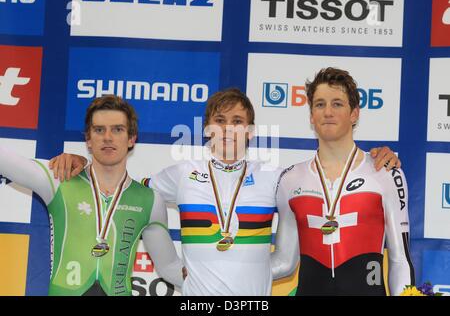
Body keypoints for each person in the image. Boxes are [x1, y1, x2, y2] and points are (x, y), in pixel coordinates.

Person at [49, 88, 401, 296]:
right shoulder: (180, 174)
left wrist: (376, 159)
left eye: (237, 122)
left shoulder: (278, 178)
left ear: (250, 131)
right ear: (206, 130)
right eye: (220, 121)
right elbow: (125, 191)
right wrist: (82, 161)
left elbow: (295, 246)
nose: (228, 129)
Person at [0, 95, 183, 296]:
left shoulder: (150, 200)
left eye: (117, 129)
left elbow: (169, 267)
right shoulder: (60, 178)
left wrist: (217, 283)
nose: (107, 137)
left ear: (131, 139)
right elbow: (6, 160)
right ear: (88, 139)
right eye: (99, 130)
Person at [275, 68, 415, 296]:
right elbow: (284, 263)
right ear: (311, 115)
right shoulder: (290, 180)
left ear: (354, 114)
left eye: (337, 104)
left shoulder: (385, 171)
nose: (328, 112)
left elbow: (400, 260)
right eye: (320, 104)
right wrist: (220, 271)